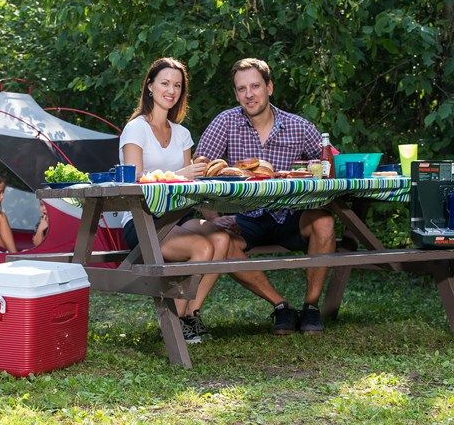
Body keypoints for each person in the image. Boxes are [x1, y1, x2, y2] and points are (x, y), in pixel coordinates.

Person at [196, 57, 336, 335]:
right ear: (236, 93)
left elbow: (331, 163)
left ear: (269, 88)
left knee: (325, 222)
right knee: (221, 242)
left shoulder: (299, 127)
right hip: (245, 218)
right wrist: (213, 218)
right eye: (241, 89)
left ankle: (310, 307)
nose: (249, 95)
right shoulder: (224, 122)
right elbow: (200, 174)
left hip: (291, 214)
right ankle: (281, 306)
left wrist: (315, 169)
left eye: (255, 86)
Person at [119, 57, 231, 344]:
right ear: (150, 86)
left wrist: (204, 182)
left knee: (221, 239)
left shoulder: (182, 134)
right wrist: (181, 173)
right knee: (202, 246)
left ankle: (189, 315)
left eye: (177, 86)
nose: (171, 90)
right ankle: (174, 323)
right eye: (165, 83)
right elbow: (134, 179)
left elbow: (188, 187)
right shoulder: (136, 129)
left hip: (177, 215)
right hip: (143, 218)